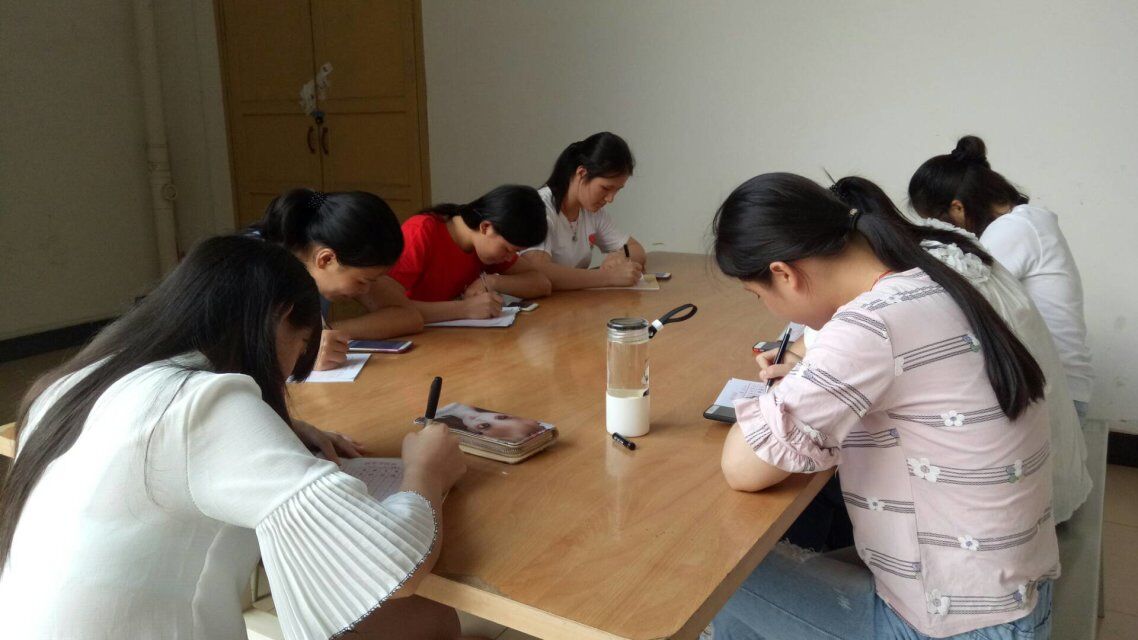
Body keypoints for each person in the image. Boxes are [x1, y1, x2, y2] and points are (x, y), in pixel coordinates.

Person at [0, 235, 471, 639]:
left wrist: (279, 429)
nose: (291, 368)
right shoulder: (204, 405)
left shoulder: (76, 381)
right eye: (301, 345)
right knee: (429, 619)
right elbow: (394, 565)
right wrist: (425, 470)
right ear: (283, 316)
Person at [710, 173, 1057, 639]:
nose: (768, 308)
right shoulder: (932, 280)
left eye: (758, 295)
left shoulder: (870, 325)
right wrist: (808, 379)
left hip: (957, 625)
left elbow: (742, 468)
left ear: (783, 274)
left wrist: (784, 392)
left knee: (719, 570)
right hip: (1011, 599)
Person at [909, 135, 1093, 419]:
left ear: (957, 207)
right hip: (1060, 383)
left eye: (942, 221)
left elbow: (962, 297)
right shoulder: (1028, 221)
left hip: (1054, 389)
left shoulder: (1013, 229)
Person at [251, 188, 423, 370]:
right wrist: (298, 352)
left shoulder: (322, 251)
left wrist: (318, 335)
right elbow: (238, 360)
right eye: (362, 281)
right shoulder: (252, 271)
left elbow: (407, 316)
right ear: (326, 259)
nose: (366, 290)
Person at [388, 185, 552, 323]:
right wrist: (465, 309)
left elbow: (541, 284)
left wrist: (492, 281)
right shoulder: (421, 232)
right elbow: (389, 308)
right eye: (508, 250)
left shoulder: (484, 246)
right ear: (486, 227)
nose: (510, 257)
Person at [521, 132, 646, 289]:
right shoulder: (539, 208)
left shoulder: (592, 212)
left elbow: (636, 249)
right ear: (581, 173)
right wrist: (608, 277)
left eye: (617, 190)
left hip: (572, 301)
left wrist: (620, 256)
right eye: (605, 188)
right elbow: (538, 271)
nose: (610, 199)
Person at [433, 404, 544, 442]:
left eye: (483, 426)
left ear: (472, 430)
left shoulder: (438, 419)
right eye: (501, 417)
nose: (481, 419)